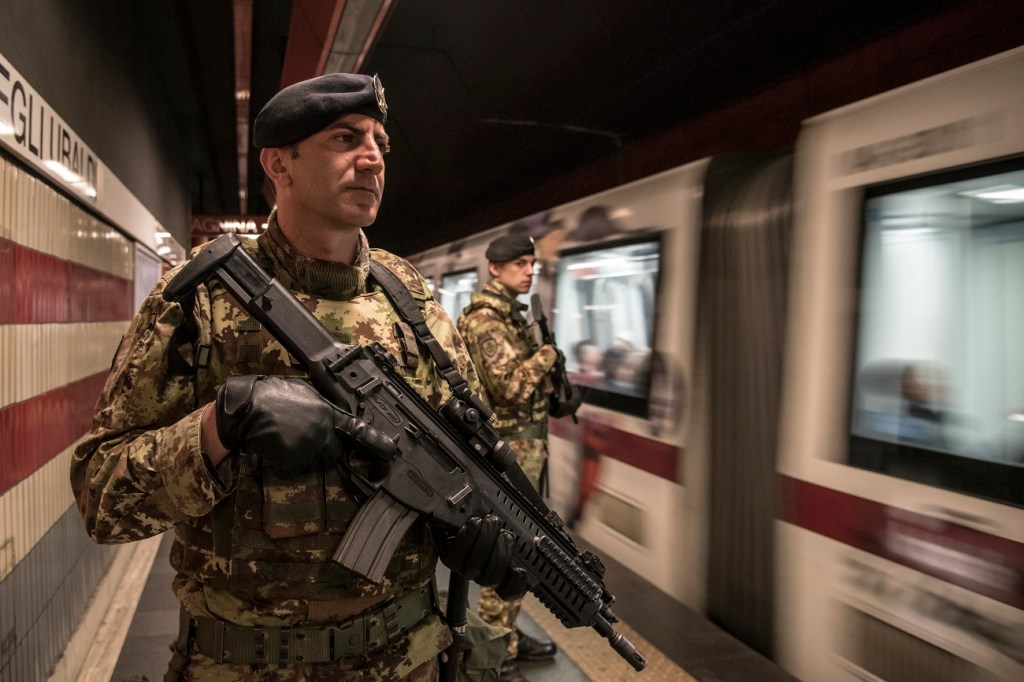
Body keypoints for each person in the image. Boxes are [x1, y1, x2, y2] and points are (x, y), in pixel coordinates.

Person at [71, 73, 525, 681]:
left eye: (379, 143)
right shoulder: (199, 302)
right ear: (278, 163)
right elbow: (101, 497)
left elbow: (459, 463)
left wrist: (473, 536)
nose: (372, 158)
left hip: (407, 661)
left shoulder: (414, 304)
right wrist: (219, 427)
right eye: (345, 138)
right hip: (245, 667)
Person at [456, 233, 564, 682]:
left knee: (528, 552)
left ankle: (510, 639)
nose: (529, 271)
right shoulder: (486, 322)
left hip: (526, 452)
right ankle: (493, 656)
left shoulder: (513, 317)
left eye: (532, 264)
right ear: (494, 269)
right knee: (509, 553)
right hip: (506, 459)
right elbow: (511, 387)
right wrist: (547, 356)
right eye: (519, 263)